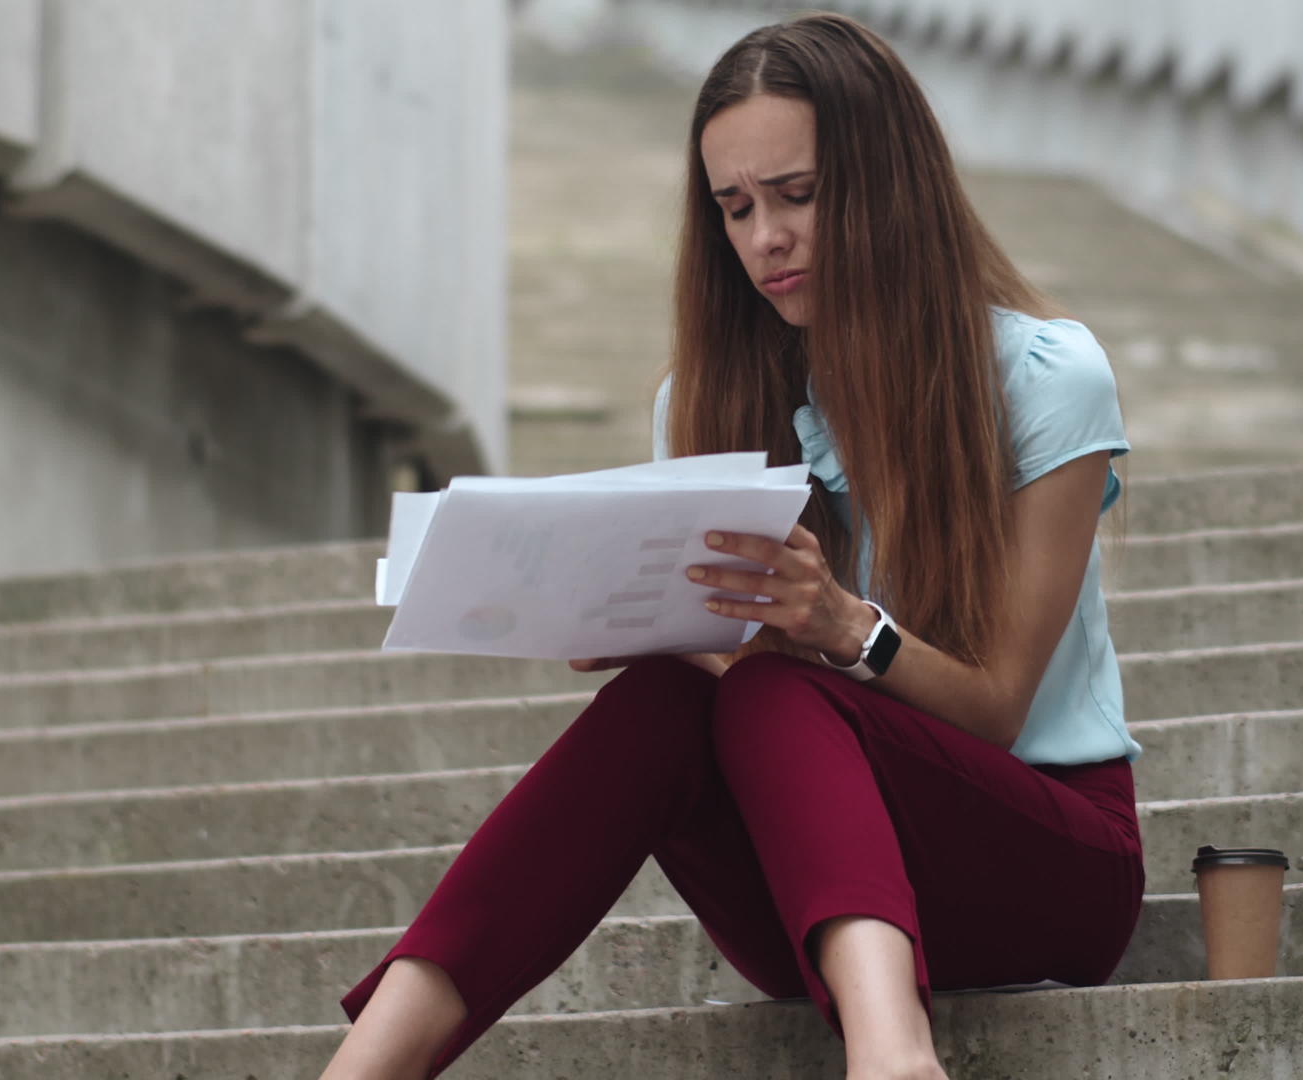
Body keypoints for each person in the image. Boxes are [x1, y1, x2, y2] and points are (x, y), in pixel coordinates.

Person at [320, 13, 1143, 1079]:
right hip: (815, 900)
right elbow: (740, 689)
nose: (765, 239)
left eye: (798, 195)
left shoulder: (1045, 378)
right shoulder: (704, 400)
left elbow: (997, 708)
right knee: (671, 697)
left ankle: (896, 1059)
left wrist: (845, 627)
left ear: (889, 181)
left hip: (1043, 864)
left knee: (777, 692)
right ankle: (369, 1065)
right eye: (736, 208)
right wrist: (654, 624)